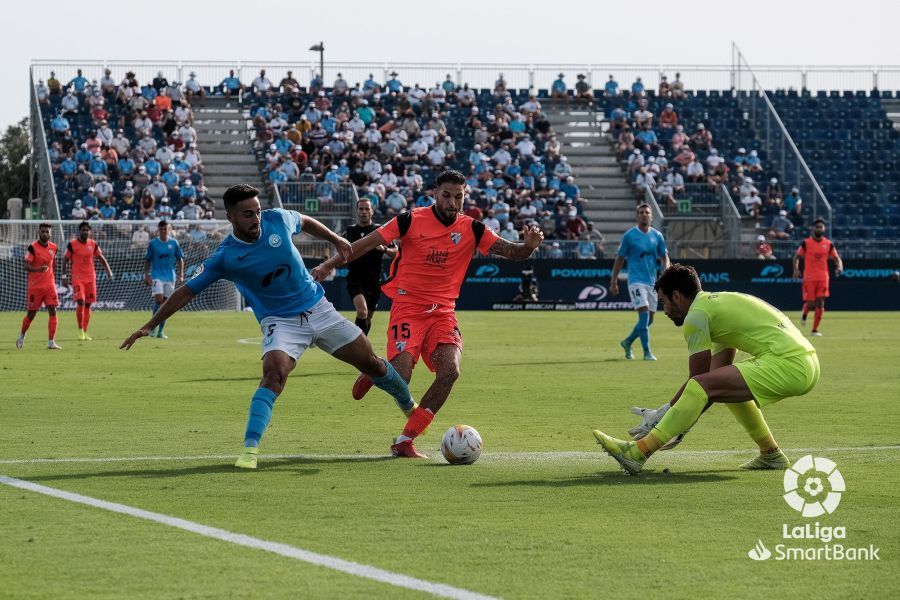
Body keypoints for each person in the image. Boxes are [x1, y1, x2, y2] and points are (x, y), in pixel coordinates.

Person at [121, 184, 417, 470]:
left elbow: (304, 220)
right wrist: (150, 325)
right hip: (281, 321)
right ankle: (250, 450)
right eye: (248, 214)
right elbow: (186, 291)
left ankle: (411, 410)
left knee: (374, 365)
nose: (256, 219)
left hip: (318, 308)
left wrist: (335, 239)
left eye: (258, 211)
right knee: (274, 374)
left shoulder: (276, 218)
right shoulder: (226, 257)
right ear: (231, 217)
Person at [312, 170, 544, 458]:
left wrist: (529, 247)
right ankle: (375, 371)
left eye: (458, 197)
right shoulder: (410, 220)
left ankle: (405, 440)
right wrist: (327, 266)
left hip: (443, 312)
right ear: (435, 194)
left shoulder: (473, 228)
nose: (452, 202)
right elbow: (363, 245)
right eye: (446, 195)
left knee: (451, 372)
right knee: (403, 376)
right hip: (408, 307)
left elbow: (512, 252)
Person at [592, 264, 819, 474]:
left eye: (663, 302)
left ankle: (637, 453)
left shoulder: (696, 317)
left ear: (677, 296)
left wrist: (664, 416)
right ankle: (771, 454)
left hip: (790, 364)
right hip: (806, 363)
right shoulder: (716, 308)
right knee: (725, 388)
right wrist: (677, 420)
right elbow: (713, 382)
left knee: (704, 385)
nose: (665, 311)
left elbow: (698, 381)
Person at [609, 204, 670, 361]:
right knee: (644, 315)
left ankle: (627, 342)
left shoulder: (657, 236)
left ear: (651, 217)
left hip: (652, 282)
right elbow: (620, 259)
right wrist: (614, 281)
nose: (644, 215)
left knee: (650, 319)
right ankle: (647, 352)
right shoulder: (630, 236)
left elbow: (664, 256)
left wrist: (667, 270)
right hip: (636, 280)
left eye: (647, 212)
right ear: (637, 216)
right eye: (641, 212)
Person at [343, 199, 394, 335]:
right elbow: (339, 249)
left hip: (374, 280)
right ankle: (357, 347)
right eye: (361, 209)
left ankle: (361, 346)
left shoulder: (380, 231)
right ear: (357, 211)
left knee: (368, 317)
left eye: (367, 209)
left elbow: (396, 252)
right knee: (362, 311)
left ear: (372, 211)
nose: (364, 212)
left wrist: (384, 249)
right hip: (355, 278)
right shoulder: (350, 231)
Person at [64, 222, 114, 341]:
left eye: (87, 230)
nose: (85, 232)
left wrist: (109, 271)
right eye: (83, 230)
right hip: (77, 278)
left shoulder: (93, 244)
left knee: (88, 304)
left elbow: (101, 258)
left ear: (90, 232)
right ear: (79, 231)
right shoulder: (72, 244)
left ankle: (85, 331)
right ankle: (80, 330)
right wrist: (64, 276)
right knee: (80, 302)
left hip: (91, 278)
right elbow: (65, 259)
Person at [793, 218, 843, 336]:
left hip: (823, 277)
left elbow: (836, 258)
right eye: (817, 227)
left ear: (824, 229)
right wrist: (796, 269)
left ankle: (814, 330)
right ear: (813, 228)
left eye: (821, 227)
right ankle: (805, 311)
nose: (819, 229)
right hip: (809, 277)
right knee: (811, 304)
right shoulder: (806, 243)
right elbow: (797, 257)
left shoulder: (828, 244)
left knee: (820, 303)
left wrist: (839, 266)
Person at [17, 223, 62, 350]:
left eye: (47, 232)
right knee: (31, 314)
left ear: (50, 233)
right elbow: (26, 266)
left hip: (49, 285)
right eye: (43, 232)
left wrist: (54, 278)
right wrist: (38, 269)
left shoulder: (54, 247)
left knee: (53, 311)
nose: (45, 234)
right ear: (39, 232)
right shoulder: (32, 247)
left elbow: (54, 263)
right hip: (35, 287)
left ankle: (51, 342)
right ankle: (22, 335)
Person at [143, 221, 185, 339]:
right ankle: (151, 328)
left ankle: (160, 332)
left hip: (170, 277)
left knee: (166, 305)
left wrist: (181, 274)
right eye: (161, 229)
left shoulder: (174, 243)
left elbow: (180, 259)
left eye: (165, 229)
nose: (163, 231)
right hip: (156, 275)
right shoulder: (153, 243)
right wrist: (146, 275)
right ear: (158, 230)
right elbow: (148, 260)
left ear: (169, 229)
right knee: (158, 300)